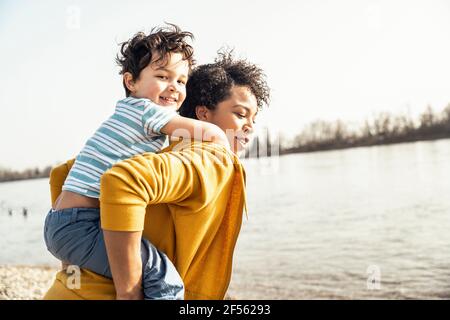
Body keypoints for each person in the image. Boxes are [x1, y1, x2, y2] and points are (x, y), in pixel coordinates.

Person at [43, 51, 270, 300]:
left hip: (67, 290)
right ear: (204, 115)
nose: (250, 126)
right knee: (166, 285)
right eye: (240, 114)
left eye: (254, 119)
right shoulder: (207, 159)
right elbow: (123, 181)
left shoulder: (156, 149)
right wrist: (128, 291)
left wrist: (70, 263)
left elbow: (62, 173)